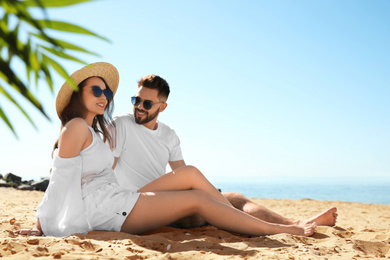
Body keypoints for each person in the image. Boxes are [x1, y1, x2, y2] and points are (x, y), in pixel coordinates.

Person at [15, 62, 317, 237]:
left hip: (116, 199)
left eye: (106, 91)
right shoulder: (78, 128)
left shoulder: (97, 129)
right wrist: (41, 225)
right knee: (199, 200)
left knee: (193, 177)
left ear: (162, 107)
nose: (105, 96)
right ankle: (279, 230)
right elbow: (60, 181)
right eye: (96, 90)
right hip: (104, 207)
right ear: (78, 94)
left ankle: (268, 225)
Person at [111, 74, 338, 229]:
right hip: (136, 205)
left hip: (163, 200)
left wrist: (213, 196)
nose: (139, 107)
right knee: (218, 203)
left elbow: (179, 175)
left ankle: (296, 223)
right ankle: (252, 219)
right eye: (136, 100)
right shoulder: (121, 124)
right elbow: (106, 168)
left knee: (236, 198)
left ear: (162, 107)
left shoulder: (169, 135)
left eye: (146, 103)